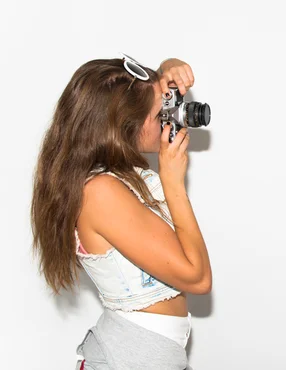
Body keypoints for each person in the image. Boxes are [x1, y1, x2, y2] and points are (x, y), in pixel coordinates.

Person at [31, 54, 212, 369]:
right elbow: (197, 278)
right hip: (130, 358)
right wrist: (173, 184)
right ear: (124, 125)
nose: (170, 118)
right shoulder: (99, 192)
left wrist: (167, 70)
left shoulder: (111, 176)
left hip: (147, 355)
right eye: (160, 112)